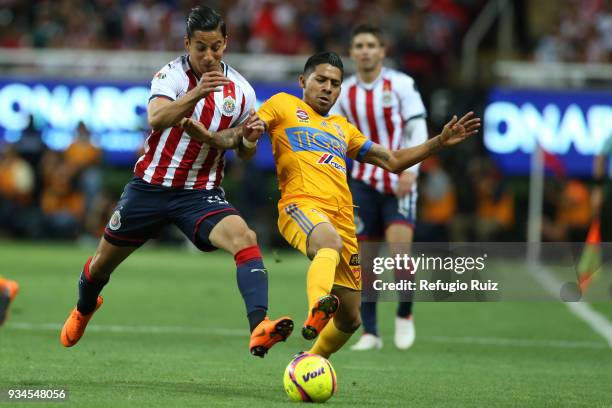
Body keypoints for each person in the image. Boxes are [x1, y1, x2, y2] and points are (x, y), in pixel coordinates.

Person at [184, 52, 478, 359]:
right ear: (303, 81)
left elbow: (391, 160)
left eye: (334, 84)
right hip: (301, 206)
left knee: (351, 318)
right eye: (320, 80)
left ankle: (309, 361)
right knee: (329, 243)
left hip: (343, 222)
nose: (327, 88)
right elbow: (244, 135)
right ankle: (317, 306)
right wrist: (228, 138)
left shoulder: (342, 127)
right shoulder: (283, 104)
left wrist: (438, 142)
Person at [59, 5, 293, 358]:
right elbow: (156, 117)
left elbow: (240, 150)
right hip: (150, 187)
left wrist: (246, 139)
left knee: (245, 238)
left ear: (226, 43)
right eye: (201, 48)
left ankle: (259, 326)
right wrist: (198, 92)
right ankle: (84, 308)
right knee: (101, 264)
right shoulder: (170, 76)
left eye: (216, 47)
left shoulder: (241, 91)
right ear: (187, 44)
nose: (209, 56)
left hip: (200, 193)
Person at [332, 24, 426, 351]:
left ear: (382, 51)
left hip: (399, 180)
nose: (366, 50)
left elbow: (417, 127)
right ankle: (370, 332)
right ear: (353, 51)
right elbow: (336, 135)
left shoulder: (400, 84)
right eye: (359, 45)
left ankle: (404, 313)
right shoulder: (344, 92)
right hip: (363, 182)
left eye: (372, 44)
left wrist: (412, 171)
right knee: (364, 261)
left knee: (400, 254)